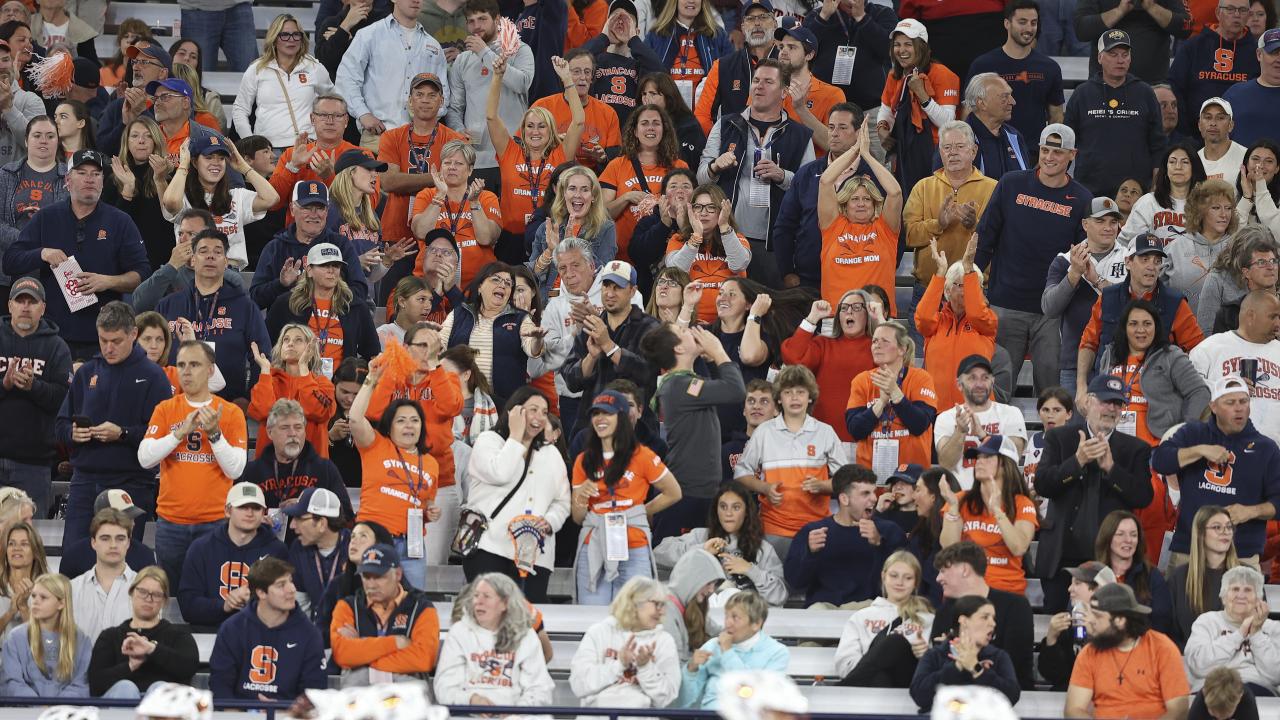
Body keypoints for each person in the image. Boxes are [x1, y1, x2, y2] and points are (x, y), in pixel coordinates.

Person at [976, 124, 1091, 396]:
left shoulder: (1082, 198)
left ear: (1072, 154)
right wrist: (970, 283)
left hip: (1051, 313)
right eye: (1045, 150)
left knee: (1052, 396)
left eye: (1058, 152)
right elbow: (985, 238)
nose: (1050, 157)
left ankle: (1052, 440)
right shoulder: (1011, 183)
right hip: (1005, 304)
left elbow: (1081, 259)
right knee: (997, 393)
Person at [1, 149, 148, 358]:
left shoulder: (120, 221)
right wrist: (41, 253)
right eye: (82, 172)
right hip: (53, 336)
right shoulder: (46, 218)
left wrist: (108, 281)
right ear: (67, 181)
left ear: (103, 182)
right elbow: (10, 261)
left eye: (96, 174)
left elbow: (141, 273)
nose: (90, 179)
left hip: (104, 337)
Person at [1034, 375, 1158, 607]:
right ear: (1089, 402)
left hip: (1109, 559)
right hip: (1061, 557)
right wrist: (1077, 461)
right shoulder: (1059, 438)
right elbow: (1042, 485)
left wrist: (1111, 469)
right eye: (1105, 401)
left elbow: (1143, 497)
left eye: (1117, 404)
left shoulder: (1135, 449)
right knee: (1060, 628)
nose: (1111, 409)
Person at [56, 302, 171, 548]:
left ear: (133, 334)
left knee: (122, 560)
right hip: (84, 480)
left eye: (116, 341)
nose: (108, 348)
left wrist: (123, 433)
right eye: (103, 340)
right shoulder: (86, 373)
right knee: (74, 559)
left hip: (131, 481)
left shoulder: (154, 376)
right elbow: (61, 424)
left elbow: (163, 436)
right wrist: (73, 433)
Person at [698, 57, 815, 288]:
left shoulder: (800, 135)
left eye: (768, 82)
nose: (759, 86)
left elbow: (810, 188)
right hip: (728, 236)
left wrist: (782, 176)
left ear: (784, 92)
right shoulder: (725, 125)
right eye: (756, 80)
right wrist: (714, 167)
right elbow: (700, 178)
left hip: (775, 243)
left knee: (770, 313)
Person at [1152, 375, 1280, 565]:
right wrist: (1199, 450)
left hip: (1241, 554)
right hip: (1190, 550)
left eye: (1243, 401)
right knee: (1180, 595)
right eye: (1230, 402)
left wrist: (1251, 511)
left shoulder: (1266, 448)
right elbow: (1160, 461)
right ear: (1213, 407)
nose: (1239, 408)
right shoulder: (1193, 433)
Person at [640, 320, 745, 543]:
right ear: (678, 348)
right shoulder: (679, 385)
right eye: (682, 330)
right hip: (686, 494)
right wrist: (718, 350)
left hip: (697, 492)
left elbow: (724, 388)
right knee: (673, 568)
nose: (691, 331)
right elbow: (735, 390)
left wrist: (712, 357)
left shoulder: (685, 382)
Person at [571, 390, 681, 604]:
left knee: (636, 616)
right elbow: (577, 517)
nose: (600, 419)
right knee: (593, 618)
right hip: (593, 544)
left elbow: (674, 492)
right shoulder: (584, 460)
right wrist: (581, 499)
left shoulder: (643, 455)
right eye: (596, 414)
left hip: (634, 545)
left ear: (621, 417)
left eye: (607, 413)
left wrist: (639, 512)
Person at [464, 387, 571, 602]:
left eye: (544, 411)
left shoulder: (551, 453)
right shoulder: (489, 441)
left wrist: (549, 522)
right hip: (490, 547)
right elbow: (500, 473)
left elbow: (562, 501)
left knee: (527, 623)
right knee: (490, 619)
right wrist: (515, 436)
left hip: (535, 555)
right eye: (533, 410)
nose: (539, 417)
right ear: (515, 412)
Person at [733, 365, 846, 558]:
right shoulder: (764, 432)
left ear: (810, 397)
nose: (794, 398)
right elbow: (741, 474)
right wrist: (765, 488)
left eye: (800, 392)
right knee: (774, 583)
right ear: (779, 398)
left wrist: (823, 485)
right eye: (788, 392)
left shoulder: (825, 432)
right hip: (773, 530)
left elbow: (847, 479)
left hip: (817, 529)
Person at [155, 229, 272, 403]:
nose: (210, 256)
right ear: (193, 260)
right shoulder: (168, 305)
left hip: (227, 407)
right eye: (203, 251)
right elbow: (152, 354)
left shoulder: (245, 307)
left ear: (225, 262)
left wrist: (249, 399)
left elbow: (261, 357)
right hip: (175, 406)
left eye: (217, 252)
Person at [1077, 233, 1205, 391]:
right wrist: (1081, 387)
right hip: (1109, 396)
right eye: (1144, 259)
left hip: (1158, 399)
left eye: (1157, 261)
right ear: (1128, 262)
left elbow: (1199, 350)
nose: (1152, 266)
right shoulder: (1107, 299)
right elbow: (1088, 344)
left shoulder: (1175, 303)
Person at [488, 55, 583, 265]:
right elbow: (491, 117)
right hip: (511, 238)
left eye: (542, 126)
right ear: (522, 130)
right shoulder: (509, 151)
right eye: (530, 126)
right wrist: (497, 76)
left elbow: (578, 122)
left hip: (548, 237)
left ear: (551, 131)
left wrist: (567, 79)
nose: (535, 131)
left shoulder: (561, 154)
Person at [904, 121, 997, 332]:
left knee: (972, 360)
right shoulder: (923, 187)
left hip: (975, 291)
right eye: (947, 147)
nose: (953, 153)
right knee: (923, 360)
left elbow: (1002, 238)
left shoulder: (994, 188)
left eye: (960, 147)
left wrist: (976, 226)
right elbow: (909, 235)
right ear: (940, 152)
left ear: (973, 151)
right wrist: (939, 224)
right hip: (928, 290)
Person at [774, 103, 873, 291]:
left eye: (843, 128)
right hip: (809, 282)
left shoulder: (874, 176)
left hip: (859, 281)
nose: (834, 133)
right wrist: (787, 272)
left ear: (859, 133)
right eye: (831, 127)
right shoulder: (806, 174)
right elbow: (784, 227)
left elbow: (893, 233)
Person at [785, 463, 907, 608]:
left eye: (874, 492)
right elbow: (795, 582)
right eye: (865, 493)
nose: (874, 498)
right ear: (844, 499)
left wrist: (879, 544)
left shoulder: (888, 531)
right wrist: (810, 553)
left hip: (870, 610)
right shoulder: (813, 532)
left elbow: (905, 581)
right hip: (824, 611)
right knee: (817, 609)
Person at [445, 0, 534, 197]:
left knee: (512, 224)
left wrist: (484, 52)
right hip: (476, 159)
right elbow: (454, 108)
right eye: (471, 21)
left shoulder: (520, 50)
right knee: (477, 223)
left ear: (497, 20)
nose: (476, 26)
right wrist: (459, 131)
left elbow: (522, 84)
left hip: (513, 155)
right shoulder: (463, 61)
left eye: (483, 19)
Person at [335, 0, 449, 152]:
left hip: (421, 138)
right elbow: (346, 78)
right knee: (375, 177)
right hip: (378, 137)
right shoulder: (369, 35)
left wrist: (430, 118)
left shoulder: (433, 45)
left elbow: (443, 93)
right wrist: (363, 114)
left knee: (420, 177)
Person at [561, 259, 661, 432]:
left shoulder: (651, 327)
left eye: (617, 287)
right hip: (592, 428)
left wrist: (608, 346)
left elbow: (648, 374)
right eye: (606, 286)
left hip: (637, 431)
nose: (609, 293)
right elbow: (570, 380)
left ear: (632, 291)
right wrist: (591, 358)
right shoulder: (592, 325)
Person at [1064, 583, 1191, 718]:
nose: (1090, 621)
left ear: (1120, 621)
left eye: (1098, 616)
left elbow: (1179, 709)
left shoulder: (1162, 648)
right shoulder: (1089, 653)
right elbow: (1073, 710)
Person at [208, 556, 326, 700]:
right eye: (281, 585)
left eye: (291, 581)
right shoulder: (232, 629)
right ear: (261, 593)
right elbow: (220, 684)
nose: (292, 589)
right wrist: (235, 713)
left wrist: (284, 712)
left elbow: (313, 692)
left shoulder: (309, 634)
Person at [1065, 29, 1165, 197]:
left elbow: (1158, 144)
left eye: (1125, 55)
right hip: (1090, 190)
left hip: (1135, 192)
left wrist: (1156, 188)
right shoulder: (1082, 94)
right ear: (1099, 57)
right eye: (1113, 54)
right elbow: (1067, 143)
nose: (1120, 60)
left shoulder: (1145, 93)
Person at [1043, 197, 1130, 389]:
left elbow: (1134, 305)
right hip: (1074, 361)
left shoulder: (1130, 259)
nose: (1108, 227)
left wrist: (1097, 280)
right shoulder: (1065, 261)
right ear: (1085, 224)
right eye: (1100, 221)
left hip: (1121, 359)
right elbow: (1049, 308)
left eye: (1113, 222)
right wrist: (1074, 274)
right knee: (1074, 419)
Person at [159, 131, 279, 271]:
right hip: (192, 272)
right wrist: (184, 165)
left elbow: (272, 199)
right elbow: (171, 201)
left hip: (230, 272)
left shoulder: (236, 196)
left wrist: (243, 167)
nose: (216, 163)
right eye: (209, 157)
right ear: (195, 162)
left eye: (221, 158)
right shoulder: (182, 196)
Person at [0, 275, 69, 516]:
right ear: (10, 306)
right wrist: (5, 384)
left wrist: (34, 387)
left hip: (33, 464)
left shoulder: (57, 347)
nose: (25, 307)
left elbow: (63, 399)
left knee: (29, 539)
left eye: (32, 301)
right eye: (20, 301)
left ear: (43, 308)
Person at [816, 118, 901, 313]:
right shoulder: (833, 225)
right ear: (845, 203)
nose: (861, 203)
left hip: (877, 318)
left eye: (867, 199)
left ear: (874, 203)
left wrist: (868, 156)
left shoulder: (885, 228)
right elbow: (826, 182)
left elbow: (895, 193)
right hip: (835, 317)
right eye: (855, 199)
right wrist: (854, 150)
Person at [654, 481, 786, 606]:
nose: (728, 513)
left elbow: (780, 596)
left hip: (743, 618)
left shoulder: (762, 549)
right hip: (703, 615)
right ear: (716, 511)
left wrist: (750, 570)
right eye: (723, 507)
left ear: (746, 512)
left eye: (736, 507)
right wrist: (701, 550)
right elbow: (657, 554)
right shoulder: (701, 536)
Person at [1098, 299, 1210, 445]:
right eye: (1133, 324)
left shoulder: (1170, 355)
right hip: (1114, 447)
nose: (1141, 330)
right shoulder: (1110, 355)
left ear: (1156, 327)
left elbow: (1200, 392)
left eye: (1147, 324)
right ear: (1124, 328)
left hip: (1155, 449)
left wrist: (1184, 431)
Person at [176, 482, 288, 628]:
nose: (249, 513)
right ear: (228, 511)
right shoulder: (201, 548)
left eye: (256, 508)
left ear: (263, 513)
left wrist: (256, 603)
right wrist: (224, 606)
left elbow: (285, 603)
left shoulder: (277, 551)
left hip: (260, 634)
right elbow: (188, 606)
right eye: (242, 507)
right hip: (208, 634)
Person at [433, 573, 554, 705]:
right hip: (466, 713)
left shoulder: (526, 635)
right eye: (476, 595)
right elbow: (445, 687)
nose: (479, 601)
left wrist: (517, 713)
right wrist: (471, 700)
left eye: (487, 596)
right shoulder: (459, 632)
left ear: (505, 603)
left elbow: (540, 689)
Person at [329, 543, 439, 685]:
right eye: (366, 577)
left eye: (379, 577)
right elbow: (342, 654)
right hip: (360, 696)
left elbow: (423, 659)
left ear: (398, 574)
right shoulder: (347, 606)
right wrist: (395, 643)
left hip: (406, 697)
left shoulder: (422, 608)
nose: (371, 585)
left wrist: (362, 654)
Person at [931, 541, 1036, 690]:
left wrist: (960, 651)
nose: (938, 578)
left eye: (943, 570)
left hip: (1007, 697)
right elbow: (938, 662)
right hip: (956, 695)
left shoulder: (1015, 606)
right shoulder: (945, 611)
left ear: (965, 570)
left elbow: (1013, 663)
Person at [875, 18, 960, 200]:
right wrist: (882, 129)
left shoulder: (943, 74)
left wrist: (923, 96)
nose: (901, 50)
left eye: (908, 44)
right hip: (904, 152)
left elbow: (948, 123)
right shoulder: (894, 75)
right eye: (897, 45)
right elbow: (886, 110)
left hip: (936, 153)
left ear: (921, 46)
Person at [251, 182, 370, 310]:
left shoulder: (341, 244)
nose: (314, 214)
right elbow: (255, 299)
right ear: (292, 209)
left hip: (331, 324)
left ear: (327, 211)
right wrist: (281, 284)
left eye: (320, 208)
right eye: (306, 207)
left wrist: (327, 292)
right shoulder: (275, 248)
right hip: (288, 326)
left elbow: (360, 291)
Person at [780, 292, 877, 449]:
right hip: (822, 438)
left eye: (857, 307)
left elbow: (897, 361)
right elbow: (793, 357)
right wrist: (812, 318)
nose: (849, 312)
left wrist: (880, 320)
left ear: (869, 314)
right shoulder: (823, 344)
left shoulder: (877, 347)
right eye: (844, 308)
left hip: (866, 439)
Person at [87, 565, 199, 699]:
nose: (148, 599)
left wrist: (152, 649)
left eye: (156, 595)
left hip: (162, 711)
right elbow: (96, 683)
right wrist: (130, 665)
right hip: (119, 707)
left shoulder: (178, 636)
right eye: (142, 592)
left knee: (159, 688)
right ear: (132, 593)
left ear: (164, 601)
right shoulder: (110, 636)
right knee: (126, 688)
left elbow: (189, 667)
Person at [569, 575, 680, 709]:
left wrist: (645, 667)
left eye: (663, 605)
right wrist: (619, 664)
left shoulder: (664, 641)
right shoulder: (598, 632)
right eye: (656, 604)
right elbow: (579, 685)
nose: (661, 611)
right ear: (634, 603)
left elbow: (667, 698)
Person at [844, 321, 938, 478]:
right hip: (869, 480)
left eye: (885, 341)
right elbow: (855, 430)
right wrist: (880, 403)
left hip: (913, 479)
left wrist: (895, 393)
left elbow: (920, 424)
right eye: (874, 341)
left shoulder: (921, 378)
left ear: (902, 349)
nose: (877, 345)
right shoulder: (862, 380)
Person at [266, 243, 380, 367]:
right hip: (296, 383)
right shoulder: (286, 304)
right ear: (309, 270)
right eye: (324, 265)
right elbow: (267, 347)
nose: (331, 271)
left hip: (338, 384)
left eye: (336, 266)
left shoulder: (354, 306)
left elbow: (372, 353)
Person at [968, 0, 1066, 144]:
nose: (1029, 28)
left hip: (1034, 155)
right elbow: (969, 112)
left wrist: (1048, 151)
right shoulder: (983, 65)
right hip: (991, 151)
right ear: (1007, 24)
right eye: (1022, 22)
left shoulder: (1049, 68)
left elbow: (1056, 117)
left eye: (1033, 23)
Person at [231, 15, 333, 150]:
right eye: (285, 35)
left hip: (307, 146)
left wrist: (322, 133)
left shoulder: (314, 67)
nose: (291, 40)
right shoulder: (257, 69)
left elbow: (334, 103)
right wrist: (251, 143)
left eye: (296, 34)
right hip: (269, 150)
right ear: (274, 39)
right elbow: (240, 109)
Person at [410, 141, 503, 290]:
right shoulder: (427, 195)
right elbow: (420, 232)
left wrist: (474, 202)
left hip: (477, 286)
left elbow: (486, 238)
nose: (452, 167)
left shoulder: (486, 198)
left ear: (470, 169)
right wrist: (440, 195)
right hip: (430, 284)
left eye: (459, 163)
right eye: (447, 162)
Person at [835, 550, 936, 687]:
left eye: (908, 578)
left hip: (907, 681)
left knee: (896, 641)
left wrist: (925, 655)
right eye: (894, 576)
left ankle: (843, 688)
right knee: (881, 674)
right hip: (870, 682)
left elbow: (936, 668)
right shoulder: (861, 617)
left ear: (916, 583)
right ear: (883, 577)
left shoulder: (928, 619)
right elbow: (844, 662)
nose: (900, 582)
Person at [1192, 290, 1280, 440]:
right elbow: (1188, 390)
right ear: (1251, 316)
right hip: (1223, 451)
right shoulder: (1210, 348)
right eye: (1272, 317)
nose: (1278, 323)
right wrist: (1224, 388)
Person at [678, 589, 788, 709]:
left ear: (756, 624)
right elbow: (684, 704)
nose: (727, 623)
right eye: (727, 616)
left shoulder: (777, 653)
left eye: (735, 618)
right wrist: (691, 670)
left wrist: (727, 652)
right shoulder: (712, 646)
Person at [909, 594, 1020, 710]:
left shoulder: (999, 657)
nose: (993, 623)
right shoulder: (935, 655)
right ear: (964, 621)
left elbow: (1011, 697)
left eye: (993, 618)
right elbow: (919, 696)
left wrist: (977, 669)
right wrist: (957, 667)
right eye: (985, 617)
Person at [1184, 564, 1280, 695]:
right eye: (1235, 589)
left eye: (1248, 590)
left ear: (1258, 599)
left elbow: (1275, 676)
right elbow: (1198, 666)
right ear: (1223, 597)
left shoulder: (1273, 628)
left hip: (1256, 690)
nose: (1241, 595)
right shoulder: (1207, 621)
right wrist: (1240, 634)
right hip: (1211, 688)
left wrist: (1256, 633)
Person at [933, 355, 1026, 489]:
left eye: (985, 378)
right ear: (959, 384)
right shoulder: (946, 418)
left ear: (993, 381)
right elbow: (946, 463)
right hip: (961, 498)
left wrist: (984, 436)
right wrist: (960, 432)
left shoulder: (1011, 413)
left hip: (1000, 498)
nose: (980, 384)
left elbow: (1013, 456)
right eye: (972, 378)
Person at [1171, 0, 1259, 140]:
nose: (1236, 15)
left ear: (1248, 15)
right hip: (1194, 137)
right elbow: (1175, 89)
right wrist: (1187, 135)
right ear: (1218, 13)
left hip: (1242, 138)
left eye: (1242, 10)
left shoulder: (1257, 53)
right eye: (1230, 9)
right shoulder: (1193, 47)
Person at [663, 185, 750, 323]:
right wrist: (696, 236)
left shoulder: (736, 238)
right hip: (690, 319)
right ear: (690, 210)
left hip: (731, 321)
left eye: (711, 207)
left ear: (722, 211)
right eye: (698, 207)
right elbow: (675, 273)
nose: (704, 213)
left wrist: (724, 227)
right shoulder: (678, 239)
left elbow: (739, 265)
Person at [247, 326, 335, 463]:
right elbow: (262, 411)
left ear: (310, 349)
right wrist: (265, 370)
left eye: (298, 340)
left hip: (311, 471)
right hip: (271, 471)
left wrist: (304, 369)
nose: (290, 343)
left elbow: (318, 411)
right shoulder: (269, 380)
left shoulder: (323, 384)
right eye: (286, 340)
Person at [0, 117, 66, 300]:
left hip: (53, 273)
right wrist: (26, 240)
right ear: (26, 141)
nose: (43, 140)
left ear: (58, 141)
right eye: (37, 135)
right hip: (6, 271)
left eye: (50, 136)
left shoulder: (70, 178)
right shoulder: (6, 175)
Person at [691, 0, 777, 134]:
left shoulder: (788, 63)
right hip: (733, 149)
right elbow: (702, 116)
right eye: (750, 19)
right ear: (742, 27)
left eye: (763, 17)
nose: (757, 23)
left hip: (778, 146)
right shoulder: (722, 66)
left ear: (775, 24)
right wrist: (717, 146)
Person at [528, 167, 615, 298]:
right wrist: (549, 252)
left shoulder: (605, 228)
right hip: (546, 302)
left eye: (585, 189)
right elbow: (531, 276)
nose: (578, 195)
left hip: (582, 303)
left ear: (593, 196)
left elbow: (603, 274)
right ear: (564, 194)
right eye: (572, 188)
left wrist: (576, 248)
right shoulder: (547, 227)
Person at [530, 48, 621, 171]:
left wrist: (603, 158)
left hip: (594, 178)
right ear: (565, 74)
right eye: (576, 72)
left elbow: (616, 159)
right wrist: (552, 141)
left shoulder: (608, 113)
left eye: (587, 72)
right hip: (550, 175)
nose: (583, 77)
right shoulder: (542, 106)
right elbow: (522, 144)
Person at [0, 573, 90, 697]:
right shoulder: (15, 638)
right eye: (34, 596)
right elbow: (11, 683)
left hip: (64, 713)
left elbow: (80, 685)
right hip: (25, 713)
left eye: (43, 597)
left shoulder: (81, 640)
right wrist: (37, 706)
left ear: (61, 603)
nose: (35, 602)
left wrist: (56, 708)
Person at [1038, 560, 1115, 691]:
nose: (1069, 589)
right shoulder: (1071, 622)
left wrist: (1094, 635)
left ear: (1098, 589)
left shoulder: (1121, 627)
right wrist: (1051, 639)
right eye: (1071, 583)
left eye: (1077, 583)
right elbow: (1053, 675)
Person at [1167, 179, 1240, 314]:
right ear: (1200, 211)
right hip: (1183, 331)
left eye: (1228, 208)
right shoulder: (1175, 248)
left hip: (1227, 332)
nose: (1224, 214)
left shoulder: (1239, 248)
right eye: (1216, 208)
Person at [1075, 0, 1189, 84]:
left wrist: (1151, 6)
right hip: (1105, 84)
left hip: (1154, 85)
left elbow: (1186, 27)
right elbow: (1082, 30)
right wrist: (1119, 11)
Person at [280, 486, 348, 622]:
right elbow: (300, 606)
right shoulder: (298, 548)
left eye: (299, 518)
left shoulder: (356, 548)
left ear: (322, 523)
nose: (292, 525)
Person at [644, 0, 731, 105]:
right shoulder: (656, 35)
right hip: (666, 114)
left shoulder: (717, 35)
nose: (691, 1)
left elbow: (730, 73)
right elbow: (644, 75)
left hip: (706, 111)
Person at [70, 508, 137, 643]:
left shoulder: (144, 589)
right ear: (93, 542)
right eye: (105, 539)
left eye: (120, 538)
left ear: (128, 543)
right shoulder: (72, 589)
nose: (113, 545)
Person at [1119, 142, 1205, 247]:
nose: (1178, 167)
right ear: (1165, 168)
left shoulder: (1205, 203)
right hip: (1155, 262)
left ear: (1194, 167)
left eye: (1185, 162)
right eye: (1172, 162)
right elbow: (1126, 242)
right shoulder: (1148, 202)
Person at [57, 490, 156, 581]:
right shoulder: (74, 558)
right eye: (124, 518)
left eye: (132, 518)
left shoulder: (144, 556)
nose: (133, 524)